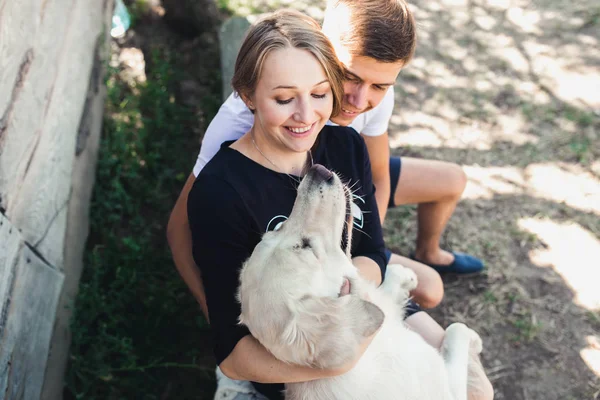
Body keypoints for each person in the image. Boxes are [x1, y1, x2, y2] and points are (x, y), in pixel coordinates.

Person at [185, 10, 493, 400]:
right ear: (248, 96)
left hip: (357, 311)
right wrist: (339, 357)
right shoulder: (222, 189)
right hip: (307, 358)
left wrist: (349, 293)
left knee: (478, 390)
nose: (307, 115)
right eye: (283, 98)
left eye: (319, 94)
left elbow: (372, 251)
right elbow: (233, 349)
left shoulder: (344, 144)